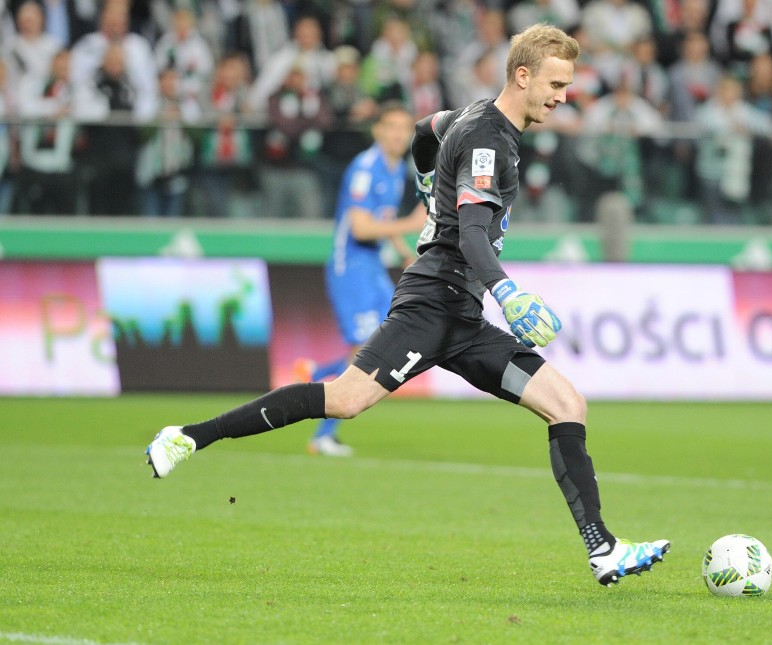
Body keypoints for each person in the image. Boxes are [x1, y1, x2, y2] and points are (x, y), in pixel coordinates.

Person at [145, 23, 670, 588]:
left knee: (566, 402)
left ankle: (603, 549)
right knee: (344, 400)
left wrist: (424, 178)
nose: (563, 96)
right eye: (556, 83)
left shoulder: (469, 115)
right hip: (431, 303)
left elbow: (427, 129)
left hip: (463, 318)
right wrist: (507, 289)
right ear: (523, 75)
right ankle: (189, 436)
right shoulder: (491, 140)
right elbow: (471, 232)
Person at [296, 101, 427, 457]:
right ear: (378, 131)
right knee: (365, 351)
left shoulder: (396, 167)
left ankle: (314, 372)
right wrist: (411, 225)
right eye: (392, 127)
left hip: (372, 266)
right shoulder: (365, 169)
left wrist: (403, 251)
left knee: (384, 342)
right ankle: (323, 433)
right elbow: (361, 227)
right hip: (350, 266)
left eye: (405, 128)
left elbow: (382, 217)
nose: (400, 134)